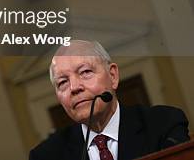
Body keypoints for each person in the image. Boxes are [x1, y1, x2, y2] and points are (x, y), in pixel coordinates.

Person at [29, 40, 190, 160]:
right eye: (62, 82)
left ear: (113, 76)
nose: (74, 87)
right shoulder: (46, 156)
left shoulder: (163, 123)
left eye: (85, 72)